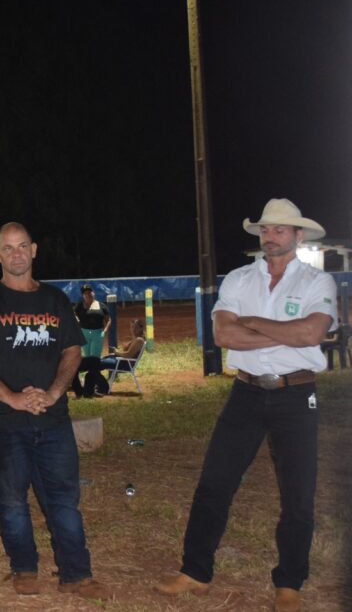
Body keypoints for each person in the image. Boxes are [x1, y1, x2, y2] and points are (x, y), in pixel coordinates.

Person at [155, 199, 336, 612]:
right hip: (247, 392)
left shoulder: (316, 282)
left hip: (296, 394)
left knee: (298, 494)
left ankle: (289, 584)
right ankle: (195, 572)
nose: (269, 236)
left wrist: (252, 322)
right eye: (265, 230)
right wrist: (283, 333)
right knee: (214, 484)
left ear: (298, 235)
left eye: (279, 230)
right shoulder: (238, 278)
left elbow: (311, 332)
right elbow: (224, 336)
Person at [0, 222, 109, 601]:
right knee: (11, 500)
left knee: (63, 499)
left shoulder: (57, 301)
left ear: (34, 250)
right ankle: (24, 568)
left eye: (22, 246)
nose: (16, 254)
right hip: (4, 423)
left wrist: (56, 391)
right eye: (7, 248)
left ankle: (76, 573)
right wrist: (11, 398)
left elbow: (72, 350)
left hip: (53, 420)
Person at [74, 284, 110, 358]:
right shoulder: (79, 305)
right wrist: (77, 319)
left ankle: (95, 369)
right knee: (87, 357)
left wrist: (105, 331)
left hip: (97, 333)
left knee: (94, 358)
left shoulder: (101, 305)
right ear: (83, 295)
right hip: (84, 333)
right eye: (85, 293)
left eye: (89, 292)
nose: (88, 295)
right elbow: (74, 313)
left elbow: (108, 320)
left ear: (93, 293)